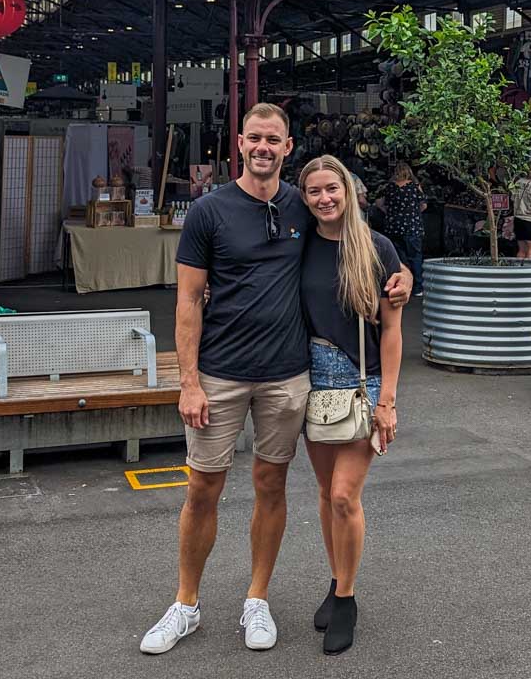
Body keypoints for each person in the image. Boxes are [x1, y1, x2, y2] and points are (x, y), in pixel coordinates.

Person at [140, 103, 411, 656]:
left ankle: (257, 599)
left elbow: (362, 246)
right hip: (220, 372)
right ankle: (186, 604)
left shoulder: (301, 206)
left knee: (273, 485)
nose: (263, 147)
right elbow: (188, 300)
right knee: (202, 488)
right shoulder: (208, 212)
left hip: (289, 377)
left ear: (288, 148)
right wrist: (188, 382)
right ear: (240, 143)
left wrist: (402, 275)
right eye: (255, 138)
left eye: (274, 140)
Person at [299, 155, 403, 655]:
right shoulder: (299, 244)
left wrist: (388, 401)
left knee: (344, 495)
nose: (325, 199)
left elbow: (393, 331)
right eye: (314, 191)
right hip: (311, 382)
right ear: (304, 198)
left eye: (332, 189)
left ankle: (346, 597)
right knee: (324, 493)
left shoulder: (376, 247)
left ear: (348, 191)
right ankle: (336, 576)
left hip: (362, 382)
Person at [379, 162, 427, 295]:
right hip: (412, 227)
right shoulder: (414, 186)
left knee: (399, 258)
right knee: (415, 256)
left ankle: (401, 285)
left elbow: (380, 204)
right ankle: (417, 287)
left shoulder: (389, 187)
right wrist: (413, 213)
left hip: (393, 227)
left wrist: (391, 214)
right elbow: (424, 205)